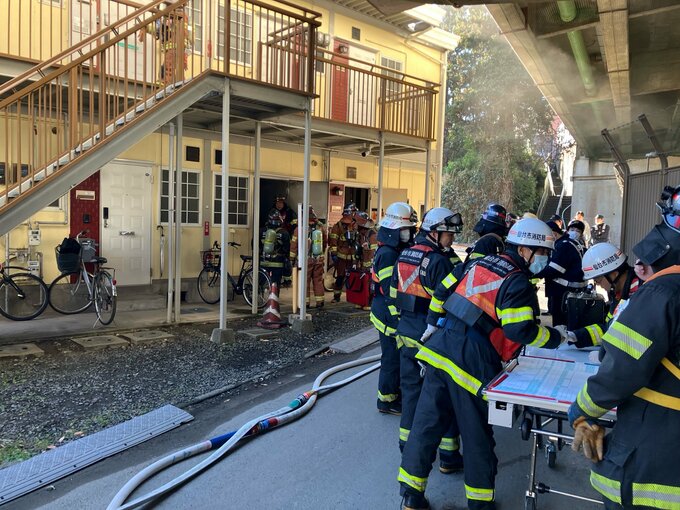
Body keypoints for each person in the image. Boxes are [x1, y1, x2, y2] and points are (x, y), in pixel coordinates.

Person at [398, 218, 566, 510]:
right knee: (476, 436)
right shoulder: (518, 281)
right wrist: (556, 337)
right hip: (470, 361)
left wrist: (432, 324)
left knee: (425, 426)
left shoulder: (479, 262)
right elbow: (520, 330)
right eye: (542, 252)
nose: (545, 259)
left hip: (440, 349)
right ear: (524, 250)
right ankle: (479, 503)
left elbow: (442, 291)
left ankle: (411, 497)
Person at [567, 184, 680, 509]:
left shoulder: (659, 292)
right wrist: (578, 337)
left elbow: (625, 362)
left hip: (658, 444)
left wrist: (581, 411)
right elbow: (612, 329)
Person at [390, 208, 465, 480]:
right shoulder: (439, 262)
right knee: (442, 399)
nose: (451, 239)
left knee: (411, 395)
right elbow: (449, 303)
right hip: (432, 339)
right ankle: (449, 456)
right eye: (447, 234)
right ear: (434, 232)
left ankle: (406, 448)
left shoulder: (404, 254)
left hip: (406, 334)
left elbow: (393, 293)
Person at [371, 202, 417, 415]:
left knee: (395, 357)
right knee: (391, 359)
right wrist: (397, 319)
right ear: (394, 230)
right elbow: (389, 291)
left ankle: (393, 394)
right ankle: (386, 401)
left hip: (386, 310)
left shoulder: (393, 249)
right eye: (405, 229)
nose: (409, 233)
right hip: (387, 313)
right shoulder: (388, 254)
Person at [567, 242, 642, 348]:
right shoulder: (620, 293)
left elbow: (634, 337)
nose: (597, 284)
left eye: (598, 279)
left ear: (614, 274)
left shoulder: (639, 293)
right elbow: (609, 327)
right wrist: (576, 336)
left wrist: (606, 354)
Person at [534, 219, 586, 326]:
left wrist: (533, 273)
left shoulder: (562, 246)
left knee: (560, 324)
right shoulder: (569, 243)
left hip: (563, 292)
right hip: (571, 291)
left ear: (553, 233)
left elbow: (554, 270)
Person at [289, 207, 326, 309]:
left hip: (306, 260)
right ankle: (320, 302)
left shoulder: (299, 229)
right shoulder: (320, 228)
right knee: (318, 280)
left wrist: (291, 259)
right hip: (318, 259)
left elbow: (294, 246)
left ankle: (305, 303)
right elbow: (325, 242)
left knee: (304, 281)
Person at [328, 203, 358, 303]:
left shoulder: (356, 225)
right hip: (342, 258)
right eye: (353, 212)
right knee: (340, 277)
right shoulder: (338, 226)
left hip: (353, 257)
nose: (354, 214)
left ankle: (353, 297)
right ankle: (337, 296)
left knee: (353, 277)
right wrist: (334, 254)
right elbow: (333, 242)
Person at [260, 209, 291, 287]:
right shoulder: (284, 233)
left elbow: (254, 245)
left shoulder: (261, 231)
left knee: (260, 284)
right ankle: (274, 294)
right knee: (275, 285)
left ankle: (259, 294)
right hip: (278, 263)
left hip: (263, 262)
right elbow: (287, 249)